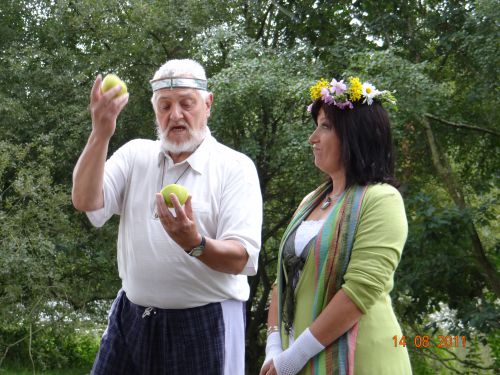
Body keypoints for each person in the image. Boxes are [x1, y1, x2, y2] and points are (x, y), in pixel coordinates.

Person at [72, 59, 262, 375]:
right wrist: (100, 133)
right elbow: (84, 200)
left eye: (186, 103)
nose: (175, 115)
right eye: (165, 106)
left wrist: (195, 244)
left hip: (205, 322)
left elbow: (241, 258)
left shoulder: (235, 167)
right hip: (132, 318)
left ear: (208, 104)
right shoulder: (135, 155)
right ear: (155, 111)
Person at [260, 76, 411, 375]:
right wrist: (274, 347)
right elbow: (283, 280)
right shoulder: (311, 201)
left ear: (355, 134)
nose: (312, 138)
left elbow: (358, 293)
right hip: (300, 360)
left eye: (325, 126)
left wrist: (293, 358)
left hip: (363, 360)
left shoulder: (382, 199)